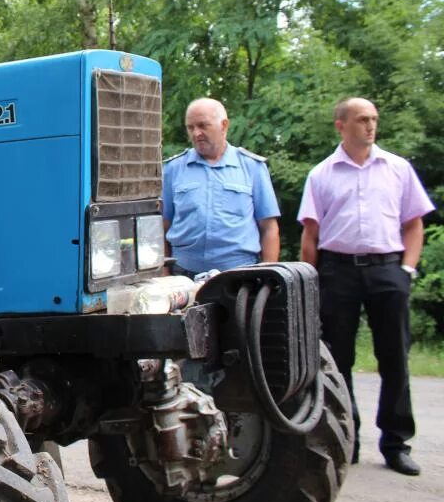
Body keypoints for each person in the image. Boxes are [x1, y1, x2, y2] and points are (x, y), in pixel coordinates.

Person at [299, 97, 434, 476]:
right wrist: (312, 281)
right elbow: (311, 235)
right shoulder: (322, 174)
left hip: (387, 269)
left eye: (374, 119)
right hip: (338, 272)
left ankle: (396, 443)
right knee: (337, 361)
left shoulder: (397, 169)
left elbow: (413, 224)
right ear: (341, 125)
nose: (370, 126)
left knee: (395, 357)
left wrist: (406, 270)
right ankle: (347, 437)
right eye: (362, 119)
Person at [161, 98, 281, 276]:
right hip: (183, 274)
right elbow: (161, 226)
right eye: (190, 127)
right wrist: (164, 274)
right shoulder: (173, 168)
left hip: (239, 274)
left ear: (224, 125)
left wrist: (268, 277)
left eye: (203, 125)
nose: (196, 133)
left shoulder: (252, 167)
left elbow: (269, 228)